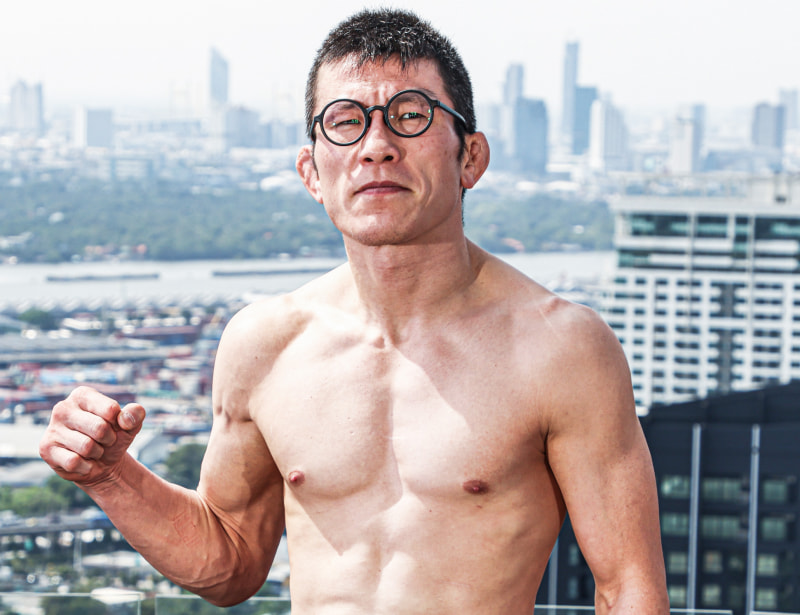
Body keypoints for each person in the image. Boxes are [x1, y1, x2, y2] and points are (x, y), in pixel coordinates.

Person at [39, 9, 669, 614]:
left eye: (411, 115)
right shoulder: (265, 344)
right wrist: (109, 474)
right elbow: (230, 562)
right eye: (345, 121)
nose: (377, 146)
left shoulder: (561, 347)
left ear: (470, 157)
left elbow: (629, 589)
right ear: (312, 172)